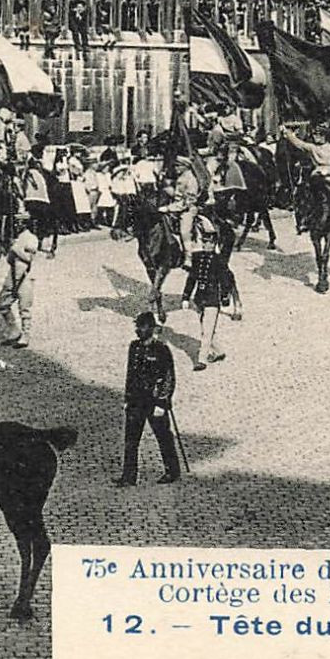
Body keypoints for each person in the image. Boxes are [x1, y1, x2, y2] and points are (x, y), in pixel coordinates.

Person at [117, 311, 179, 486]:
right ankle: (129, 476)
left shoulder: (161, 350)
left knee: (163, 438)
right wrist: (127, 399)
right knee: (131, 440)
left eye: (142, 327)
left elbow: (168, 377)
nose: (138, 330)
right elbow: (130, 375)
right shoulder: (134, 347)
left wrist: (163, 402)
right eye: (137, 327)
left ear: (151, 329)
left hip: (154, 401)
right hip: (136, 401)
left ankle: (172, 471)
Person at [181, 206, 235, 371]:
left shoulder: (219, 260)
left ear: (215, 244)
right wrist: (185, 296)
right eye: (204, 242)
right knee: (207, 328)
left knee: (206, 330)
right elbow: (192, 278)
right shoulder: (197, 257)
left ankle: (201, 360)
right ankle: (218, 351)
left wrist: (225, 297)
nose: (206, 245)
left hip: (212, 298)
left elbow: (226, 280)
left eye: (209, 243)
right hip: (200, 298)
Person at [0, 211, 37, 349]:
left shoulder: (31, 238)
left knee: (24, 307)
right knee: (3, 304)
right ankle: (13, 330)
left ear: (25, 224)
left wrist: (16, 249)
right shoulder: (17, 238)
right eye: (16, 222)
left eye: (20, 222)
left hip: (25, 275)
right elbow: (9, 259)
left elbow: (29, 258)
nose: (17, 225)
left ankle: (25, 335)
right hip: (12, 274)